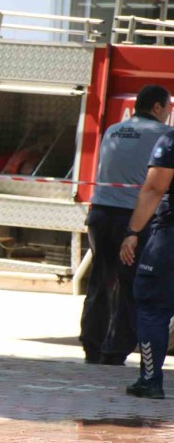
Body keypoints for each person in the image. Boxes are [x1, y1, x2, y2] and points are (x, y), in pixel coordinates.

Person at [81, 85, 172, 366]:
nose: (168, 114)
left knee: (101, 280)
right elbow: (156, 186)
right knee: (132, 286)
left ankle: (92, 345)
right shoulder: (163, 135)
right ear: (157, 107)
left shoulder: (113, 130)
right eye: (168, 108)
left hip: (100, 215)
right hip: (132, 219)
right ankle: (115, 351)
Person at [120, 126, 174, 400]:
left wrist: (132, 232)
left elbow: (154, 188)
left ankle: (150, 380)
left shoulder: (171, 141)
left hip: (170, 239)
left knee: (152, 306)